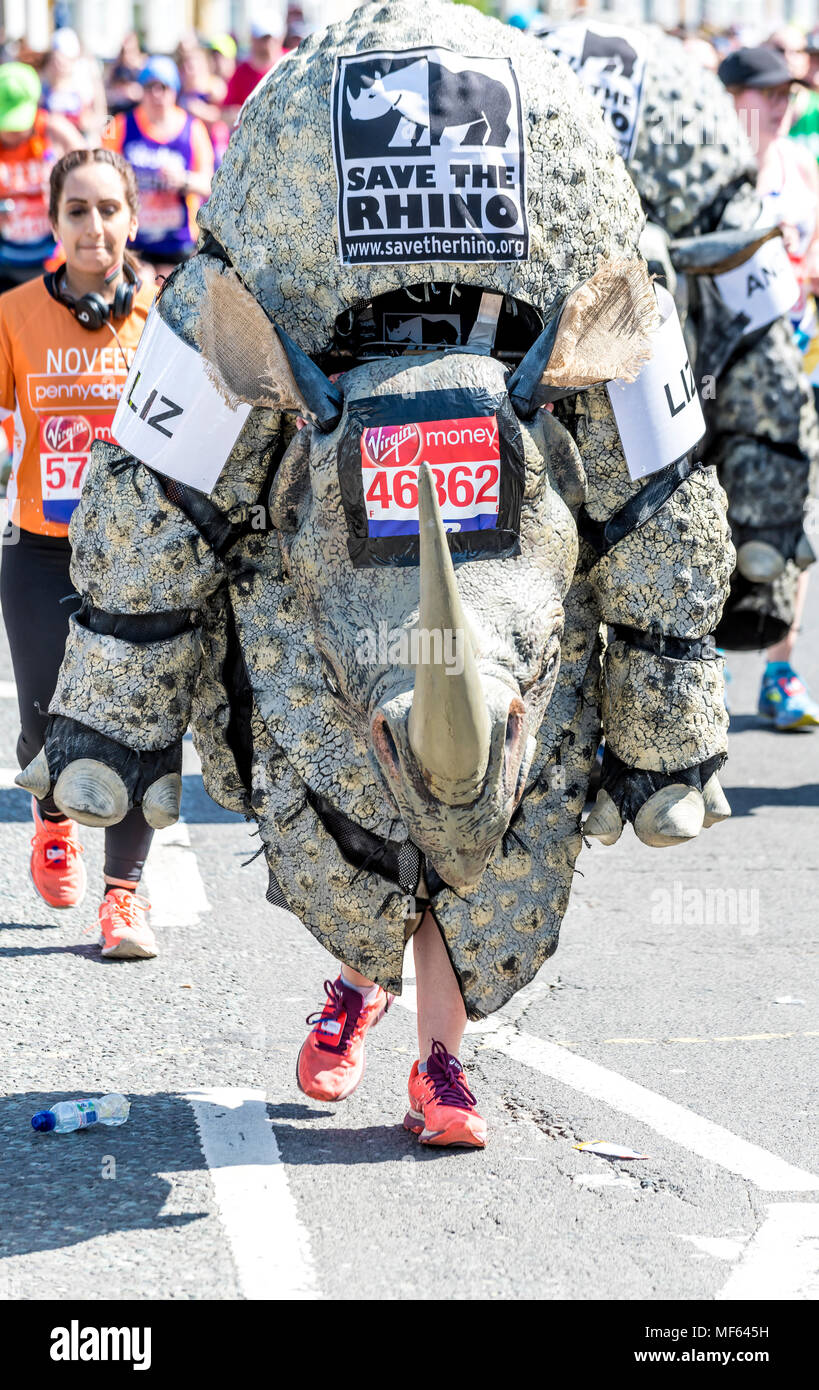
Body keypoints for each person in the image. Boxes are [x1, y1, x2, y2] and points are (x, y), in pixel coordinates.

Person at [0, 147, 159, 957]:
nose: (94, 227)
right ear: (52, 222)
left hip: (145, 558)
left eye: (108, 210)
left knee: (139, 726)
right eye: (77, 211)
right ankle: (52, 817)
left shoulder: (165, 313)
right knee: (41, 720)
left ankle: (123, 900)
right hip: (39, 551)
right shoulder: (16, 312)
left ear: (132, 218)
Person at [719, 45, 819, 729]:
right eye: (765, 93)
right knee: (710, 524)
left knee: (792, 523)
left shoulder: (802, 168)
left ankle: (779, 673)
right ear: (730, 98)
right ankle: (704, 667)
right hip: (716, 380)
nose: (781, 104)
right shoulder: (710, 170)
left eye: (787, 92)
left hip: (793, 376)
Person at [103, 55, 213, 281]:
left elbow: (210, 184)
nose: (156, 94)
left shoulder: (193, 129)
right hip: (135, 238)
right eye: (149, 86)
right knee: (142, 291)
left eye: (163, 87)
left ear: (175, 90)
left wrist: (183, 180)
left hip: (179, 241)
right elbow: (102, 177)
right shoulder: (120, 125)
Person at [0, 62, 83, 293]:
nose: (13, 132)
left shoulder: (55, 131)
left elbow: (95, 180)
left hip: (52, 258)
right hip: (5, 261)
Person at [221, 19, 284, 127]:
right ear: (252, 39)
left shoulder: (290, 64)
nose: (266, 45)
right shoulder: (241, 73)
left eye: (269, 38)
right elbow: (226, 113)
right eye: (262, 39)